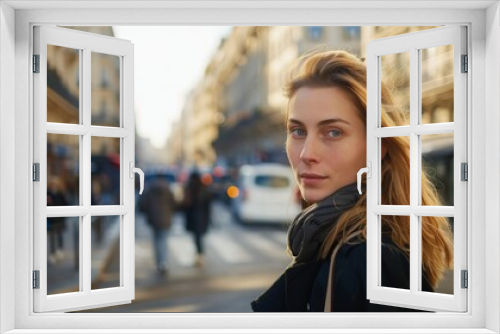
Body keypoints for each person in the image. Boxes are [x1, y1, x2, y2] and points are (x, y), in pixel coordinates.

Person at [251, 50, 453, 312]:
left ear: (377, 146)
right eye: (298, 131)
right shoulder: (331, 237)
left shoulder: (370, 259)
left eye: (333, 132)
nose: (306, 154)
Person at [138, 174, 176, 276]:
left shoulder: (149, 189)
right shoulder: (168, 189)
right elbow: (174, 204)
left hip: (154, 219)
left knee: (156, 240)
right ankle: (164, 262)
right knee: (163, 240)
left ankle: (159, 262)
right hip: (166, 218)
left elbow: (143, 204)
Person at [183, 171, 212, 267]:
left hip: (194, 218)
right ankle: (200, 255)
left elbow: (185, 205)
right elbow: (208, 206)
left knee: (197, 238)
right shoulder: (203, 189)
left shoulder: (189, 189)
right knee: (198, 238)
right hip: (201, 218)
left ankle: (199, 255)